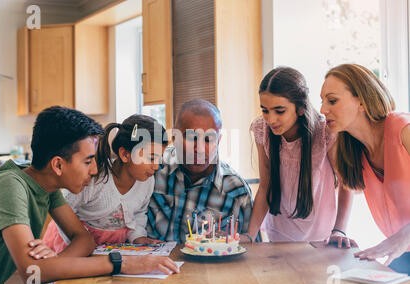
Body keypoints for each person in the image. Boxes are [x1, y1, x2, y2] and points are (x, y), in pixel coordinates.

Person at [0, 106, 179, 284]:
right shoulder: (10, 185)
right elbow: (32, 272)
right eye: (87, 161)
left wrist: (53, 263)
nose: (94, 171)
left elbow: (83, 239)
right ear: (58, 165)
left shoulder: (46, 186)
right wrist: (123, 263)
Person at [245, 67, 355, 245]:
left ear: (300, 108)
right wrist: (249, 235)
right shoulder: (262, 130)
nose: (271, 119)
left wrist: (339, 229)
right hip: (279, 233)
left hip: (321, 235)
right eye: (265, 110)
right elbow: (266, 186)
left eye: (279, 111)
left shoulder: (324, 132)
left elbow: (346, 183)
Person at [320, 63, 410, 274]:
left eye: (332, 100)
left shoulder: (403, 130)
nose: (323, 110)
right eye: (322, 101)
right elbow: (347, 189)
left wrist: (402, 236)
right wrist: (338, 231)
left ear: (361, 101)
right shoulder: (353, 151)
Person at [43, 114, 167, 253]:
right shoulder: (94, 178)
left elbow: (138, 213)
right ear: (125, 155)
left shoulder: (147, 181)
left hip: (111, 248)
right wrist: (77, 244)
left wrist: (138, 237)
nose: (156, 166)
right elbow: (64, 208)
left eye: (158, 158)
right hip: (72, 244)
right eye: (151, 158)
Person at [146, 99, 259, 243]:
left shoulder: (236, 191)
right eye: (191, 138)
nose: (199, 149)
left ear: (218, 141)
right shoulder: (153, 168)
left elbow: (251, 249)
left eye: (208, 140)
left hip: (209, 266)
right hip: (152, 263)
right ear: (174, 137)